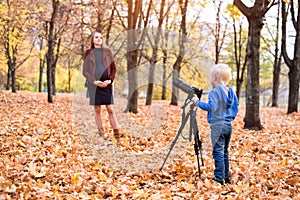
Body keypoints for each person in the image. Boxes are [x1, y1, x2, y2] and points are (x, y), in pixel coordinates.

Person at [191, 63, 239, 185]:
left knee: (217, 151)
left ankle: (219, 179)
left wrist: (197, 102)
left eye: (210, 76)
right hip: (228, 126)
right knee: (225, 151)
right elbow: (235, 108)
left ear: (214, 78)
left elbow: (211, 107)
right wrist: (229, 118)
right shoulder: (230, 92)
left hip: (217, 126)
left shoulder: (214, 92)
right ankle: (226, 176)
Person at [83, 31, 120, 145]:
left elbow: (113, 68)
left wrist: (110, 80)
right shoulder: (88, 52)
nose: (99, 39)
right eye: (96, 37)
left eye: (100, 37)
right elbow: (85, 71)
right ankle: (101, 134)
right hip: (94, 85)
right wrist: (94, 81)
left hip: (107, 85)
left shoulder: (107, 52)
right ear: (93, 40)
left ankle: (117, 136)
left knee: (110, 109)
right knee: (97, 109)